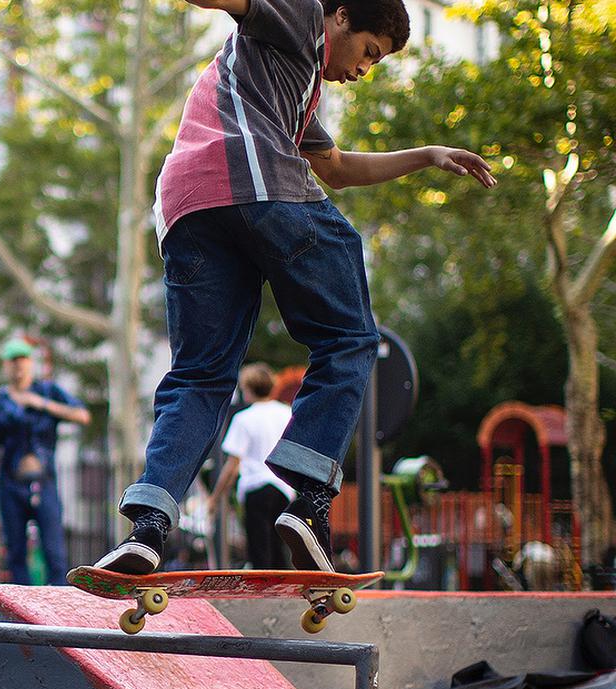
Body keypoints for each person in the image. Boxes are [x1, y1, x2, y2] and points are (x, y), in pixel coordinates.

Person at [95, 0, 496, 575]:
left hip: (186, 209)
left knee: (200, 374)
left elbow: (335, 168)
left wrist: (428, 156)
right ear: (339, 18)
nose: (363, 70)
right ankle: (308, 503)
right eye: (369, 52)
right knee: (352, 339)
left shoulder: (286, 84)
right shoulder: (299, 15)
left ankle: (150, 527)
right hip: (255, 182)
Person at [0, 337, 91, 584]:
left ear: (31, 362)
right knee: (15, 552)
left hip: (44, 481)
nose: (18, 366)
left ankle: (59, 604)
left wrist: (41, 404)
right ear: (6, 366)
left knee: (54, 552)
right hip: (10, 483)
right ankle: (23, 613)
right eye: (13, 361)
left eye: (23, 359)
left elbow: (82, 415)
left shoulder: (48, 391)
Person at [207, 364, 295, 569]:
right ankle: (282, 585)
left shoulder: (243, 418)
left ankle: (262, 588)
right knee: (279, 542)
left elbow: (233, 465)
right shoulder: (286, 413)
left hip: (255, 486)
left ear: (248, 388)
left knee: (258, 545)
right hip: (283, 486)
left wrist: (215, 497)